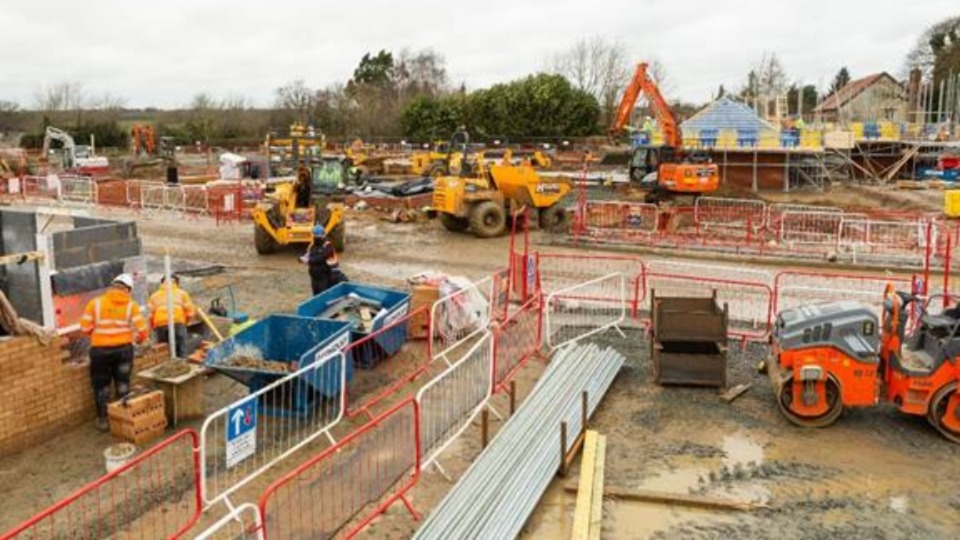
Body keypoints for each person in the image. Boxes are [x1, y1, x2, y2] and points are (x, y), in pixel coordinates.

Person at [79, 274, 149, 431]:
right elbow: (142, 331)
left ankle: (103, 421)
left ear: (112, 286)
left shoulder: (95, 303)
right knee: (123, 383)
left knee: (101, 386)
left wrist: (100, 337)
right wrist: (138, 341)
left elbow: (84, 328)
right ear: (128, 289)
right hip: (123, 351)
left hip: (100, 352)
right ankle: (123, 420)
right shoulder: (131, 305)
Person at [147, 274, 196, 358]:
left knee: (164, 349)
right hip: (178, 322)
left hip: (160, 325)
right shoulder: (182, 293)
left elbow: (149, 315)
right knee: (181, 348)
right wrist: (185, 322)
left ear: (162, 283)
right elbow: (191, 312)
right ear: (177, 283)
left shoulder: (154, 296)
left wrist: (151, 329)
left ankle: (167, 366)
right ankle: (182, 365)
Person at [300, 226, 345, 295]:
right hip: (314, 276)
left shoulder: (328, 246)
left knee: (324, 295)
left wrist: (308, 260)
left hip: (326, 275)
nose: (317, 236)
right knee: (316, 296)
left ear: (324, 235)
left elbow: (321, 258)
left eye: (319, 235)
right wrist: (301, 258)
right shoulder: (312, 245)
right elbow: (305, 254)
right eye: (315, 234)